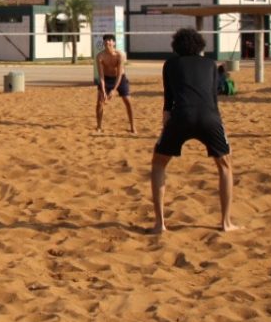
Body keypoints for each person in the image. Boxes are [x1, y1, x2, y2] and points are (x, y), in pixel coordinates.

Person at [151, 27, 236, 233]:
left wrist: (166, 121)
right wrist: (218, 123)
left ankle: (160, 224)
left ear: (176, 46)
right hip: (209, 117)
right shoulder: (210, 64)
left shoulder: (170, 64)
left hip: (181, 116)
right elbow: (214, 97)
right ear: (199, 45)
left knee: (158, 164)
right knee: (225, 166)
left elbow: (168, 98)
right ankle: (226, 223)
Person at [95, 33, 135, 133]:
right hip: (106, 78)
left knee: (128, 101)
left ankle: (132, 127)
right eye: (105, 40)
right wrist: (103, 90)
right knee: (99, 102)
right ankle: (99, 126)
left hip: (120, 78)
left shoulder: (119, 55)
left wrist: (113, 90)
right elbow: (101, 76)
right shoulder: (100, 56)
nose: (107, 42)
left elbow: (119, 74)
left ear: (114, 43)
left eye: (109, 40)